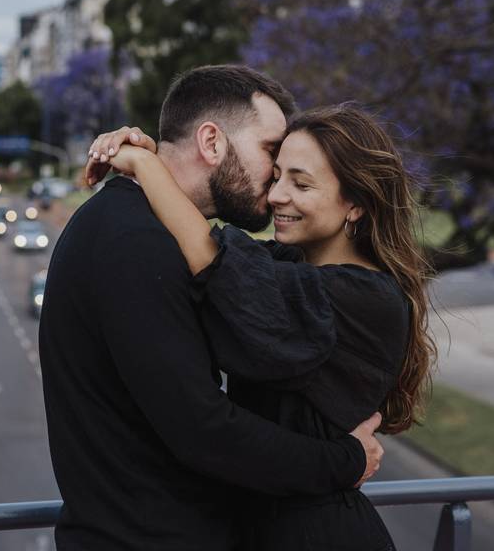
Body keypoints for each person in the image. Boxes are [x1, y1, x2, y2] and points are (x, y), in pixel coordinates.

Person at [39, 66, 385, 551]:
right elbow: (205, 431)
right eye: (270, 153)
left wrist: (146, 160)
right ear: (212, 142)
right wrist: (347, 461)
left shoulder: (139, 227)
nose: (275, 183)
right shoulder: (136, 242)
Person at [87, 103, 436, 549]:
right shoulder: (292, 267)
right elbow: (218, 261)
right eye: (277, 177)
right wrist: (163, 159)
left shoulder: (364, 297)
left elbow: (214, 259)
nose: (275, 197)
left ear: (356, 205)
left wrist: (145, 164)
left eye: (301, 183)